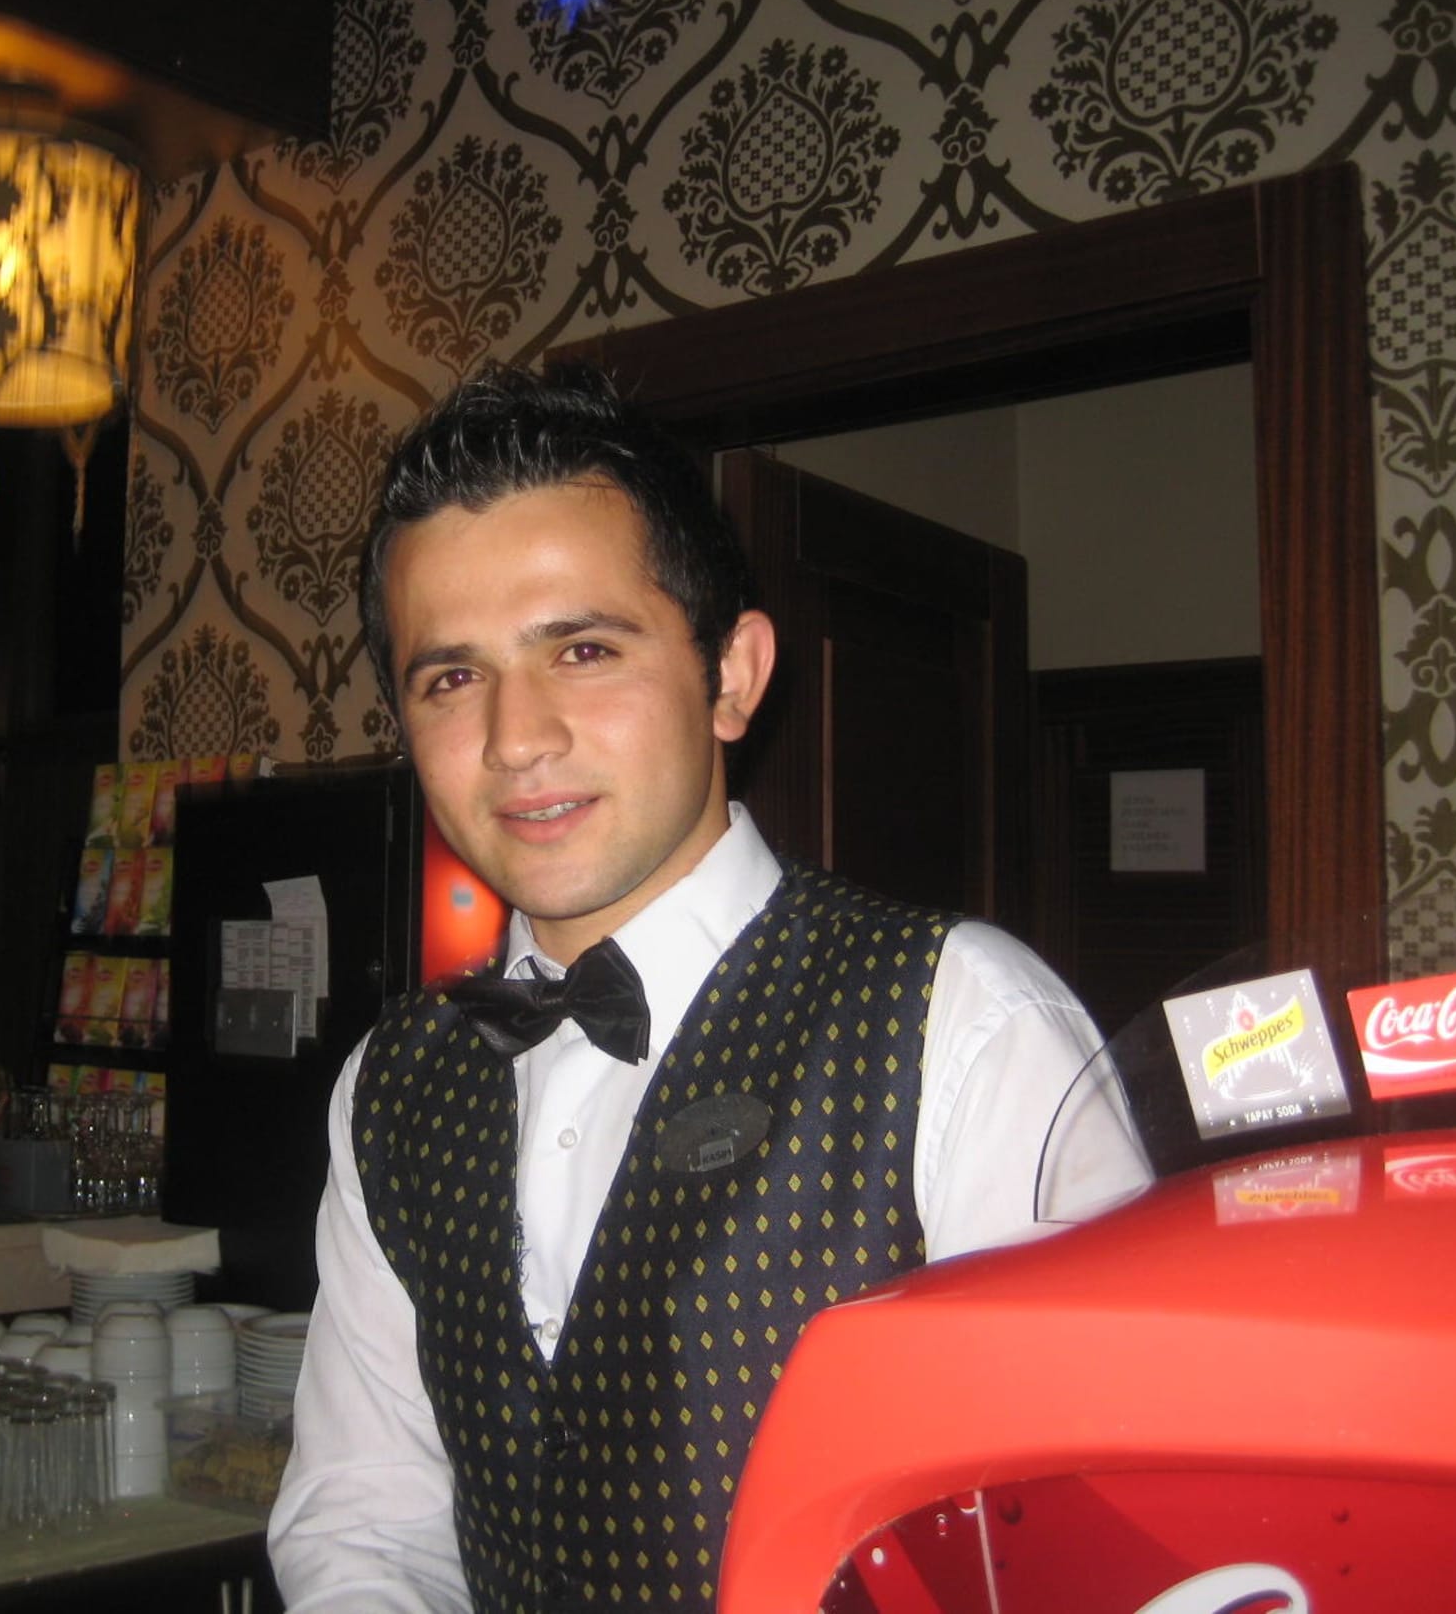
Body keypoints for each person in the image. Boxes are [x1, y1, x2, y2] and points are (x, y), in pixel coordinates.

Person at [267, 361, 1147, 1611]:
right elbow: (365, 1518)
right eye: (451, 677)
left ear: (731, 675)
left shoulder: (967, 1026)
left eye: (583, 649)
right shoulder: (391, 1082)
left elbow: (1089, 1542)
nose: (516, 738)